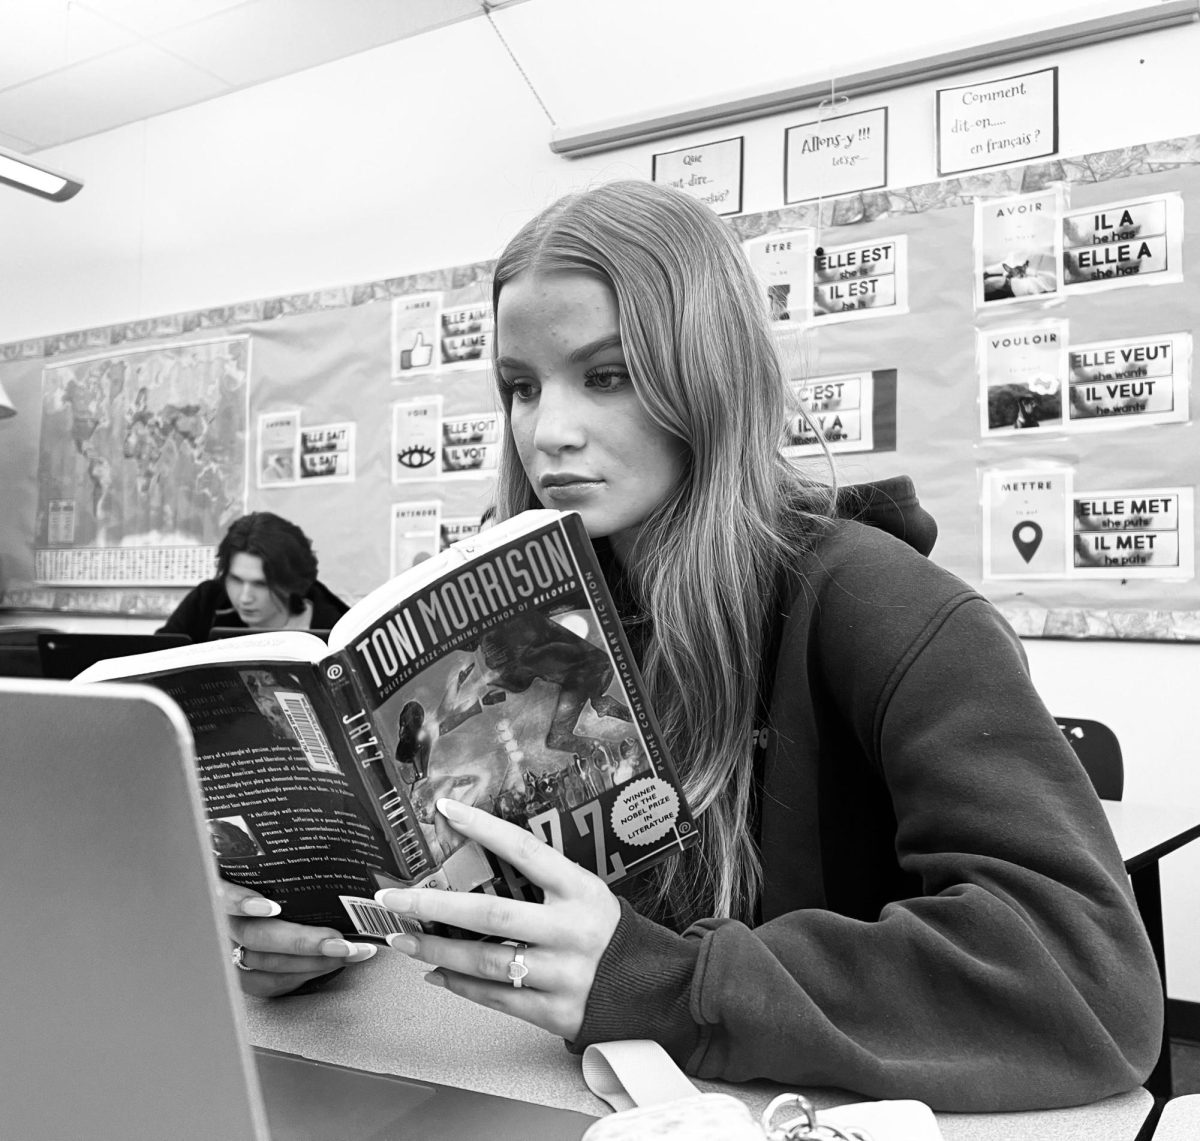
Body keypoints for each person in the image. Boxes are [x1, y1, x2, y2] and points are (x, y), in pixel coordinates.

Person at [222, 181, 1162, 1111]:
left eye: (607, 374)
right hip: (555, 1097)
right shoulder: (527, 621)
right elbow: (512, 913)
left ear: (706, 375)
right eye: (520, 387)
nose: (548, 432)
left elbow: (1086, 982)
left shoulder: (885, 607)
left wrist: (667, 982)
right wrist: (321, 939)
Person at [159, 512, 348, 641]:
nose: (245, 597)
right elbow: (153, 661)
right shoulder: (207, 602)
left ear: (292, 584)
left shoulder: (337, 629)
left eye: (261, 584)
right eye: (236, 580)